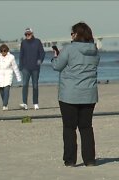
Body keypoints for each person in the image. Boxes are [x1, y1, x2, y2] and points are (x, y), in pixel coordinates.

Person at [51, 22, 100, 167]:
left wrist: (55, 57)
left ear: (76, 34)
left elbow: (57, 66)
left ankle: (70, 160)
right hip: (89, 94)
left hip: (69, 94)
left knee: (69, 127)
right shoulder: (94, 50)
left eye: (72, 33)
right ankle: (89, 160)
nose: (71, 36)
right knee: (86, 127)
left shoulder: (69, 49)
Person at [0, 44, 21, 111]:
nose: (3, 52)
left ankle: (5, 105)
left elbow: (15, 67)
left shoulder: (11, 57)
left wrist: (18, 77)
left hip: (8, 75)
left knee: (6, 90)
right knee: (1, 91)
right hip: (0, 75)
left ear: (7, 50)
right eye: (2, 51)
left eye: (4, 51)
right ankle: (5, 103)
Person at [19, 28, 45, 110]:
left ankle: (35, 103)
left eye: (29, 34)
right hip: (25, 68)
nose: (27, 35)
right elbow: (21, 55)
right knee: (25, 85)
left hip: (35, 68)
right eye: (26, 34)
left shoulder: (37, 41)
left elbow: (42, 53)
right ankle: (25, 103)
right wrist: (21, 67)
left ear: (32, 34)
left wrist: (40, 61)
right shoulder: (23, 43)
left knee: (35, 86)